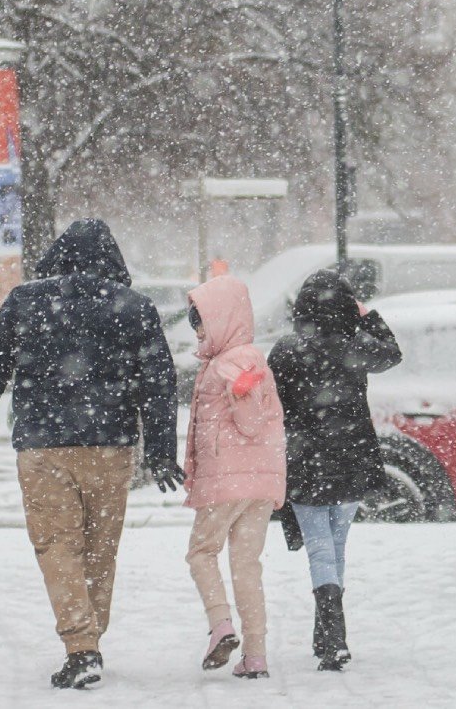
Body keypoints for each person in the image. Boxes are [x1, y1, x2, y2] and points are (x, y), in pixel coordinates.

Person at [0, 219, 183, 690]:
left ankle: (82, 645)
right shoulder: (134, 308)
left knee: (57, 545)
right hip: (111, 446)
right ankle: (89, 638)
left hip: (44, 446)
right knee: (101, 548)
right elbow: (159, 385)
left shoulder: (27, 301)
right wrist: (162, 450)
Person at [268, 269, 402, 672]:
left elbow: (273, 408)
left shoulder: (286, 350)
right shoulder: (355, 345)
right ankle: (329, 636)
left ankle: (332, 637)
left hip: (305, 460)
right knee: (336, 546)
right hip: (352, 457)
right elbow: (393, 353)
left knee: (320, 549)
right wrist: (366, 317)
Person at [182, 276, 286, 680]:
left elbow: (250, 421)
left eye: (202, 322)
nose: (199, 332)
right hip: (260, 483)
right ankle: (255, 655)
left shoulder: (232, 363)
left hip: (226, 482)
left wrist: (241, 393)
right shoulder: (249, 357)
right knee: (246, 565)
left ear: (223, 319)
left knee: (201, 552)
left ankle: (221, 625)